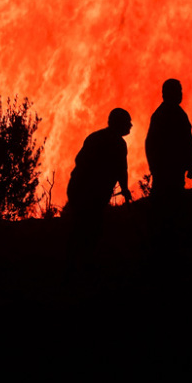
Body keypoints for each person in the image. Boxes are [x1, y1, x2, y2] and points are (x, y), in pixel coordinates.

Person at [65, 108, 133, 277]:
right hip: (90, 193)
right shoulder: (118, 144)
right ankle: (82, 268)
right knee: (90, 228)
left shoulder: (95, 137)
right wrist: (124, 189)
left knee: (80, 227)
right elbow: (121, 170)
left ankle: (72, 265)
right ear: (119, 123)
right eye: (127, 122)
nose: (130, 125)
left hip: (78, 188)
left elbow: (79, 160)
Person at [145, 79, 192, 197]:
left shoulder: (177, 113)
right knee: (167, 197)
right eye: (178, 91)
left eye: (180, 91)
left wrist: (191, 165)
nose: (180, 94)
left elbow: (188, 141)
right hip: (166, 168)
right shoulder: (163, 115)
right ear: (168, 93)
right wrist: (155, 167)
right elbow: (151, 143)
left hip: (175, 168)